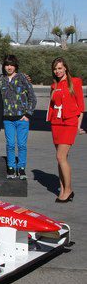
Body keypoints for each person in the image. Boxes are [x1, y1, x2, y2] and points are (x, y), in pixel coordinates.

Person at [47, 57, 84, 202]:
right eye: (55, 69)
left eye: (60, 68)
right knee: (61, 158)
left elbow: (80, 107)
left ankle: (68, 190)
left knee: (60, 157)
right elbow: (51, 106)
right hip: (56, 124)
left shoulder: (75, 82)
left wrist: (78, 126)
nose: (57, 71)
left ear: (65, 68)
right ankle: (62, 188)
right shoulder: (53, 86)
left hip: (69, 123)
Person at [0, 55, 37, 180]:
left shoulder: (22, 78)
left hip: (22, 119)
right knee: (10, 144)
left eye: (12, 65)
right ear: (4, 66)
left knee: (22, 144)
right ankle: (11, 167)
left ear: (16, 66)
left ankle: (22, 168)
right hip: (7, 119)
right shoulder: (1, 79)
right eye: (7, 65)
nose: (9, 67)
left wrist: (27, 114)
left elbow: (32, 97)